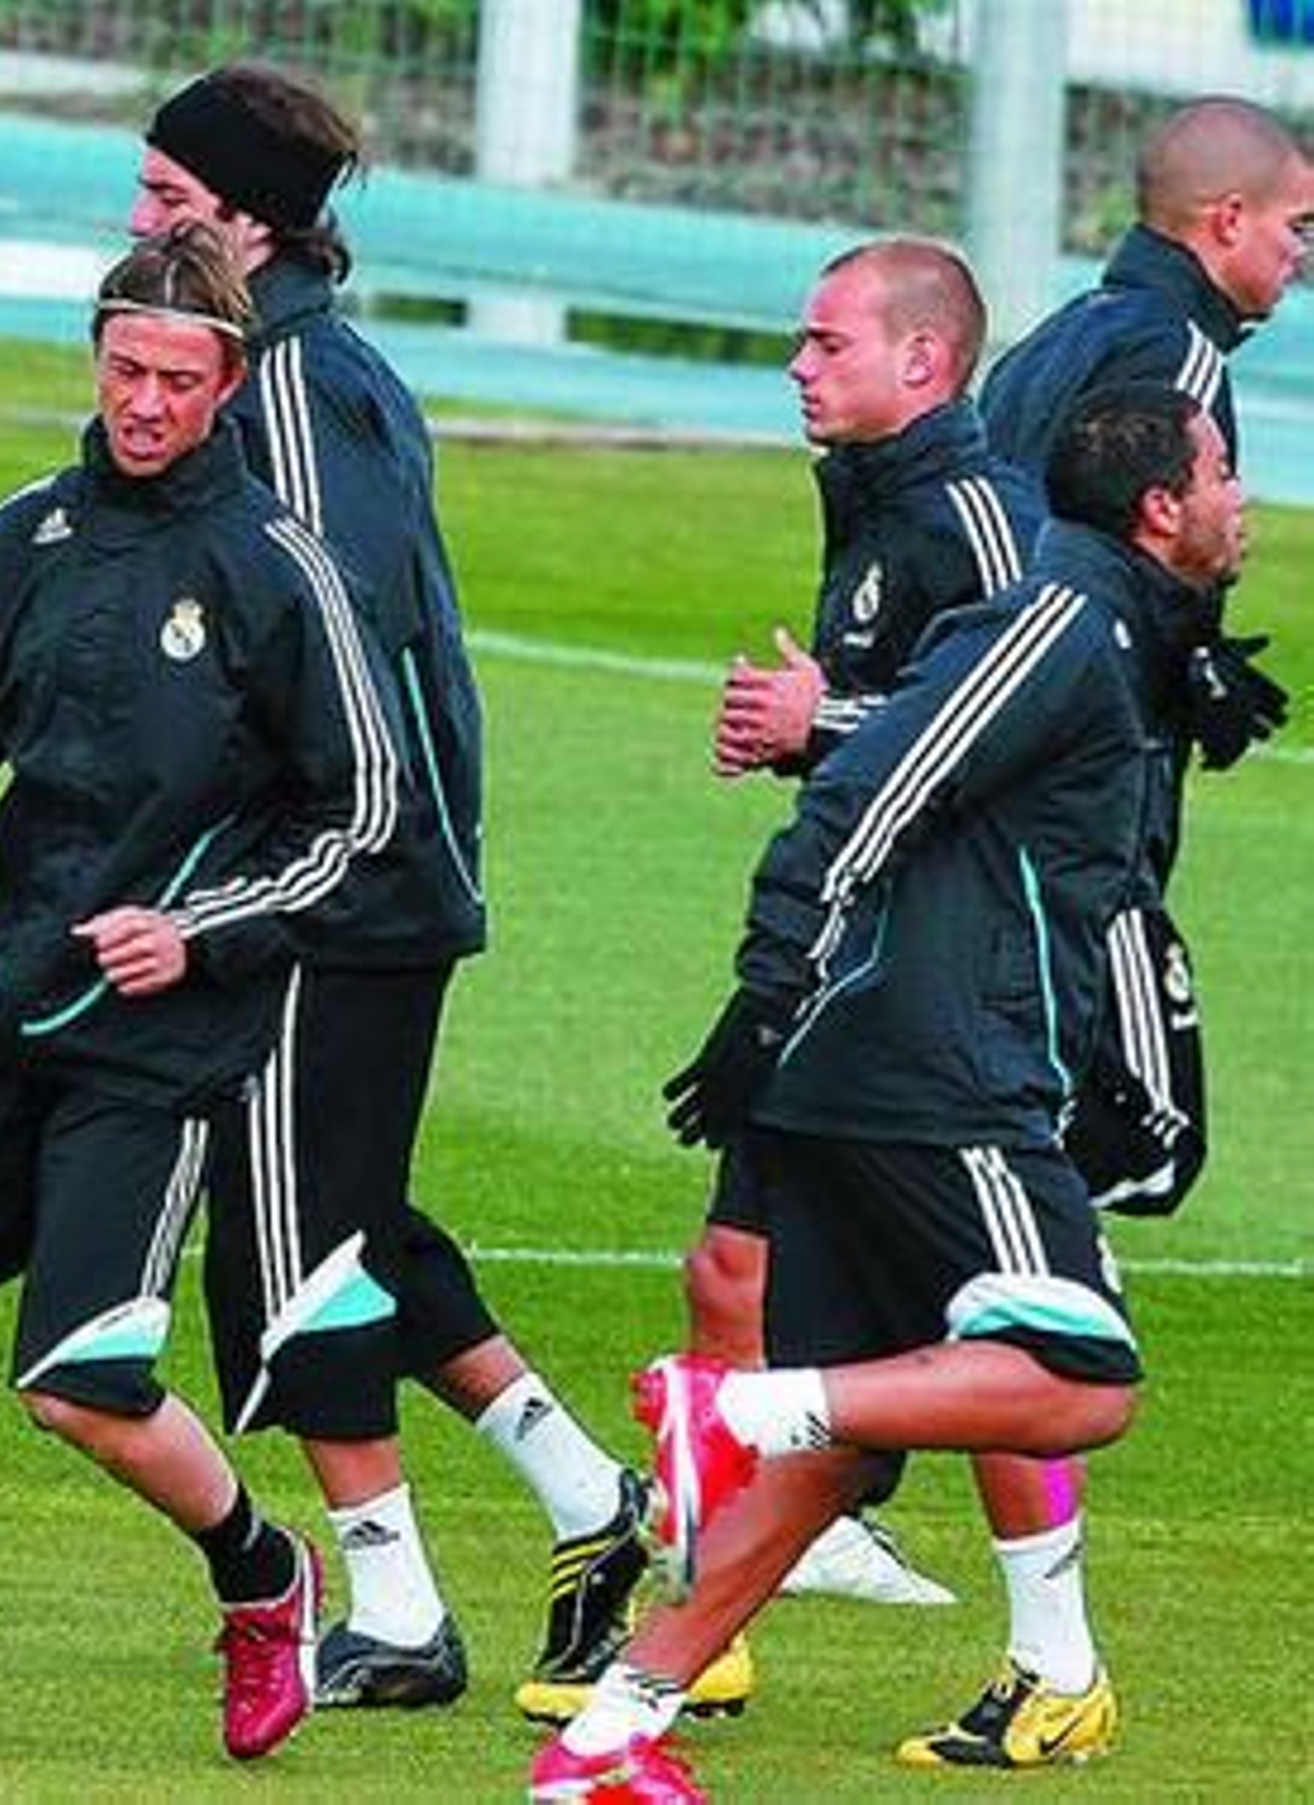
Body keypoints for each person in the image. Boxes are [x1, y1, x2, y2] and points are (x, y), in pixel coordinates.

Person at [129, 62, 752, 1724]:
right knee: (354, 1216)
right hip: (350, 879)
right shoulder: (308, 365)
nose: (137, 222)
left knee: (289, 1249)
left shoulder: (289, 392)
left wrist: (298, 858)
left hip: (330, 891)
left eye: (170, 201)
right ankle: (581, 1494)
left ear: (250, 222)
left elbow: (337, 642)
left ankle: (396, 1604)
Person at [0, 225, 404, 1762]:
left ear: (230, 384)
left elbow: (363, 814)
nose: (146, 403)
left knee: (83, 1382)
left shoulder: (278, 571)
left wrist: (202, 926)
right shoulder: (17, 537)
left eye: (179, 379)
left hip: (156, 1041)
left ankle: (265, 1573)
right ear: (95, 360)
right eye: (125, 369)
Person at [530, 381, 1248, 1801]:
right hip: (939, 1079)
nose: (1244, 497)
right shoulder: (1057, 625)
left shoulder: (1117, 629)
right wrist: (762, 991)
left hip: (879, 1076)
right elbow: (869, 786)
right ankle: (729, 1412)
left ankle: (610, 1736)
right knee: (1081, 1375)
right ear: (1161, 506)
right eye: (1224, 471)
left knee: (844, 1445)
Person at [890, 94, 1311, 1767]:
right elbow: (1080, 599)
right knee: (1042, 1266)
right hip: (1058, 876)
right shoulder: (1173, 367)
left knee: (847, 1234)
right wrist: (1157, 687)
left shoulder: (1071, 330)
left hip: (973, 839)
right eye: (1296, 229)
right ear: (1225, 224)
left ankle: (709, 1598)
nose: (1300, 257)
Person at [703, 237, 1043, 1608]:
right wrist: (805, 736)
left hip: (948, 984)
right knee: (731, 1268)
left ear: (925, 357)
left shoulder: (979, 516)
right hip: (843, 962)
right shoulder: (876, 496)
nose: (797, 363)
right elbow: (910, 722)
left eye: (826, 341)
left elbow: (1032, 726)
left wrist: (823, 721)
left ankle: (1055, 1648)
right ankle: (742, 1587)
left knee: (1011, 1328)